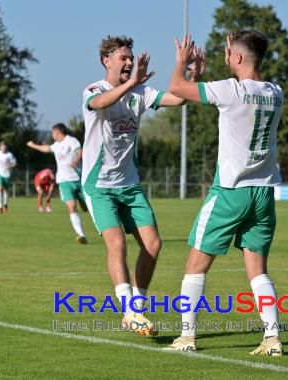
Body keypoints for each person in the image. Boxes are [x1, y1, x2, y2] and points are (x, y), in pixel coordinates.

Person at [164, 32, 285, 356]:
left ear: (241, 58)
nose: (226, 57)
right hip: (263, 192)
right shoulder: (276, 92)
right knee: (257, 270)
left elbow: (176, 88)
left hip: (231, 192)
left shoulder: (231, 90)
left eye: (229, 53)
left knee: (195, 264)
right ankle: (272, 339)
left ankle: (187, 338)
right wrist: (201, 76)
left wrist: (182, 63)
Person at [81, 35, 204, 336]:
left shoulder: (140, 92)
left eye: (130, 58)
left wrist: (193, 77)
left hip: (130, 185)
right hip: (99, 186)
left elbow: (176, 99)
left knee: (153, 244)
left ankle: (135, 309)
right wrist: (129, 84)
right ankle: (130, 311)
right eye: (122, 58)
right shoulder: (94, 89)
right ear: (106, 61)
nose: (128, 62)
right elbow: (100, 103)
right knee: (117, 244)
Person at [27, 123, 88, 244]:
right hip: (64, 181)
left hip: (77, 179)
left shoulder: (71, 140)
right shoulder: (56, 145)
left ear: (58, 132)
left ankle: (82, 201)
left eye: (53, 133)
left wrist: (76, 160)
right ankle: (81, 235)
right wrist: (33, 145)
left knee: (87, 208)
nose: (52, 135)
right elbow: (46, 149)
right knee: (72, 207)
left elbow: (79, 151)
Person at [0, 141, 16, 213]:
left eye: (5, 147)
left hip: (7, 174)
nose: (3, 148)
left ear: (6, 147)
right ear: (0, 147)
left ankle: (5, 205)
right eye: (2, 147)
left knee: (6, 190)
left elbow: (15, 163)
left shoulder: (9, 155)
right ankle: (0, 207)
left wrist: (10, 166)